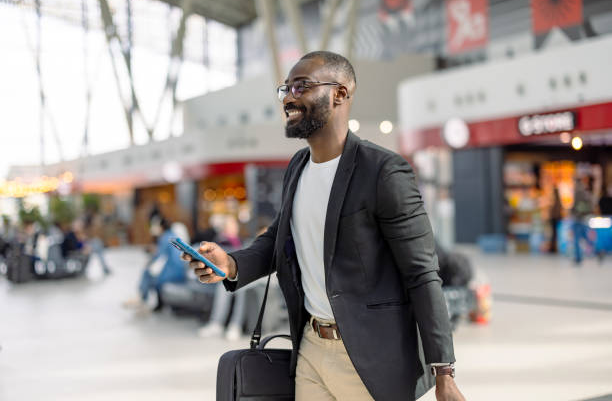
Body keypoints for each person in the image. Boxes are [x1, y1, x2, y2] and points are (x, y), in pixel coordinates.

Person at [186, 51, 463, 400]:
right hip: (311, 351)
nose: (289, 96)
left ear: (341, 94)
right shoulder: (297, 167)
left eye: (301, 86)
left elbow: (422, 273)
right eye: (285, 88)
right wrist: (231, 264)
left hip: (371, 360)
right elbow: (278, 241)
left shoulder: (384, 171)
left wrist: (444, 371)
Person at [197, 216, 246, 341]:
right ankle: (217, 324)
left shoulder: (241, 242)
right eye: (230, 225)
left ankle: (235, 325)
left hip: (240, 277)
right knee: (225, 285)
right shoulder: (219, 242)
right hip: (222, 277)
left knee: (242, 286)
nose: (233, 228)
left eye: (234, 225)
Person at [125, 218, 187, 312]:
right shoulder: (173, 235)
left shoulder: (165, 237)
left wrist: (150, 261)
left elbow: (158, 255)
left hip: (173, 271)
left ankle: (143, 298)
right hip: (180, 270)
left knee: (148, 274)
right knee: (152, 274)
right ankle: (150, 300)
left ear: (161, 227)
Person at [571, 175, 595, 265]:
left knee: (577, 238)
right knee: (586, 237)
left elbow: (574, 206)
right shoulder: (586, 193)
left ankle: (578, 257)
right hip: (585, 218)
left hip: (577, 218)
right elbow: (591, 205)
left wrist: (572, 212)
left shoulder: (577, 193)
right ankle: (596, 250)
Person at [549, 186, 563, 253]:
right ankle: (555, 247)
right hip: (557, 219)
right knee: (556, 234)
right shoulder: (559, 201)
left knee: (553, 234)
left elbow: (551, 211)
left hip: (553, 219)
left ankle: (553, 247)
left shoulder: (553, 200)